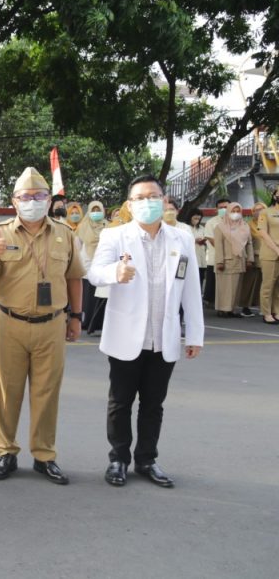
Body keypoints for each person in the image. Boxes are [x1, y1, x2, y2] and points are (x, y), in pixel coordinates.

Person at [87, 175, 203, 488]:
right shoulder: (116, 236)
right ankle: (118, 459)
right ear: (129, 204)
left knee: (154, 404)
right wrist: (116, 272)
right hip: (126, 336)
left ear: (165, 201)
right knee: (120, 402)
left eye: (153, 196)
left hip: (163, 337)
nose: (147, 202)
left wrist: (194, 335)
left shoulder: (181, 239)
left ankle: (147, 459)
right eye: (140, 197)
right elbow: (94, 273)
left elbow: (191, 289)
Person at [0, 167, 85, 485]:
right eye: (26, 197)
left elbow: (74, 277)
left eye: (39, 196)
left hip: (52, 323)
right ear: (14, 201)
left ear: (49, 200)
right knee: (5, 392)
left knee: (47, 391)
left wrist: (76, 318)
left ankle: (44, 455)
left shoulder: (65, 234)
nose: (32, 201)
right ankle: (6, 452)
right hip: (9, 322)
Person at [213, 202, 253, 318]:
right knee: (225, 286)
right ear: (228, 212)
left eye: (238, 211)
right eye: (233, 211)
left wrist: (249, 258)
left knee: (236, 286)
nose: (235, 214)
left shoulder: (245, 226)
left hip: (240, 261)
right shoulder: (220, 227)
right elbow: (219, 246)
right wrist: (219, 261)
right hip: (226, 261)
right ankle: (222, 309)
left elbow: (249, 244)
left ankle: (231, 309)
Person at [76, 201, 107, 335]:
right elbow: (77, 247)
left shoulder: (108, 226)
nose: (96, 213)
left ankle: (97, 323)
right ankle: (85, 322)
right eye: (93, 210)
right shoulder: (82, 227)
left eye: (98, 210)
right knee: (87, 298)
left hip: (101, 266)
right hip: (86, 266)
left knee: (98, 297)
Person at [237, 202, 266, 316]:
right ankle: (245, 307)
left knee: (264, 284)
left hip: (269, 258)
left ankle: (264, 308)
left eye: (262, 209)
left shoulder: (270, 225)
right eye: (256, 210)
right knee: (249, 284)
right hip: (253, 258)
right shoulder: (248, 225)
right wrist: (250, 257)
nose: (259, 212)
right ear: (252, 212)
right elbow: (245, 243)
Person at [201, 197, 229, 303]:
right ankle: (211, 301)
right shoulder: (211, 222)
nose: (223, 209)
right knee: (212, 283)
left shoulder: (235, 221)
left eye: (226, 207)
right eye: (221, 207)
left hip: (231, 258)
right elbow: (211, 239)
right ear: (216, 209)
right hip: (215, 257)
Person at [257, 189, 279, 324]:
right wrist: (276, 249)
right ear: (275, 196)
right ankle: (266, 313)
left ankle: (277, 311)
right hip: (270, 253)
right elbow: (263, 233)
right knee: (268, 284)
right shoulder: (265, 212)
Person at [190, 209, 209, 292]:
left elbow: (208, 240)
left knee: (200, 278)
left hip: (201, 258)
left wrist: (204, 242)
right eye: (195, 218)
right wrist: (194, 240)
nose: (197, 220)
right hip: (191, 258)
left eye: (198, 219)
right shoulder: (185, 227)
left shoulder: (202, 228)